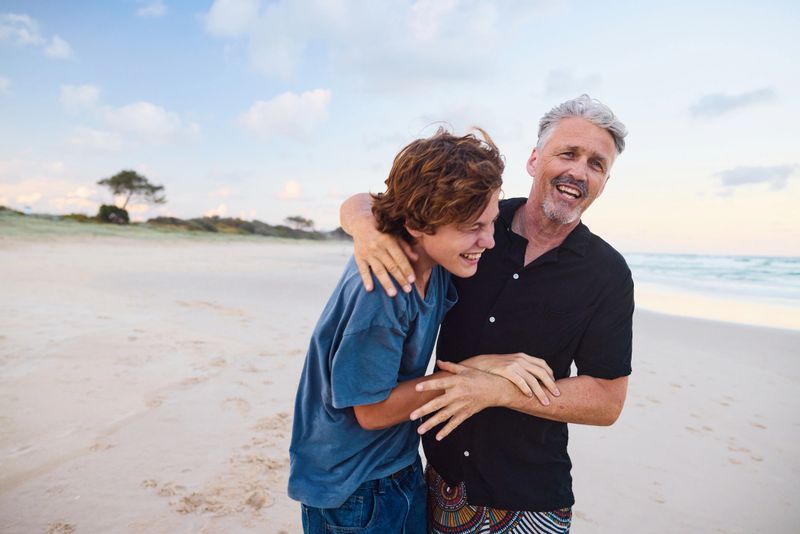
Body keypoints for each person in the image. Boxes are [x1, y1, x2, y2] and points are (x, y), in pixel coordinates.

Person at [340, 94, 633, 533]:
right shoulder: (476, 225)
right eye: (568, 153)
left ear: (604, 182)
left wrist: (498, 390)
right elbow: (388, 201)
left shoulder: (607, 274)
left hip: (527, 501)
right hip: (434, 482)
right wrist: (364, 226)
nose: (578, 171)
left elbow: (608, 401)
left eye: (596, 164)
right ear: (535, 160)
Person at [289, 128, 560, 534]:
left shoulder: (434, 260)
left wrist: (361, 221)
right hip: (354, 487)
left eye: (491, 220)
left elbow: (366, 202)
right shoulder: (383, 292)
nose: (488, 241)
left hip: (393, 464)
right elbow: (372, 411)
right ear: (419, 223)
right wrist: (476, 371)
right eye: (473, 227)